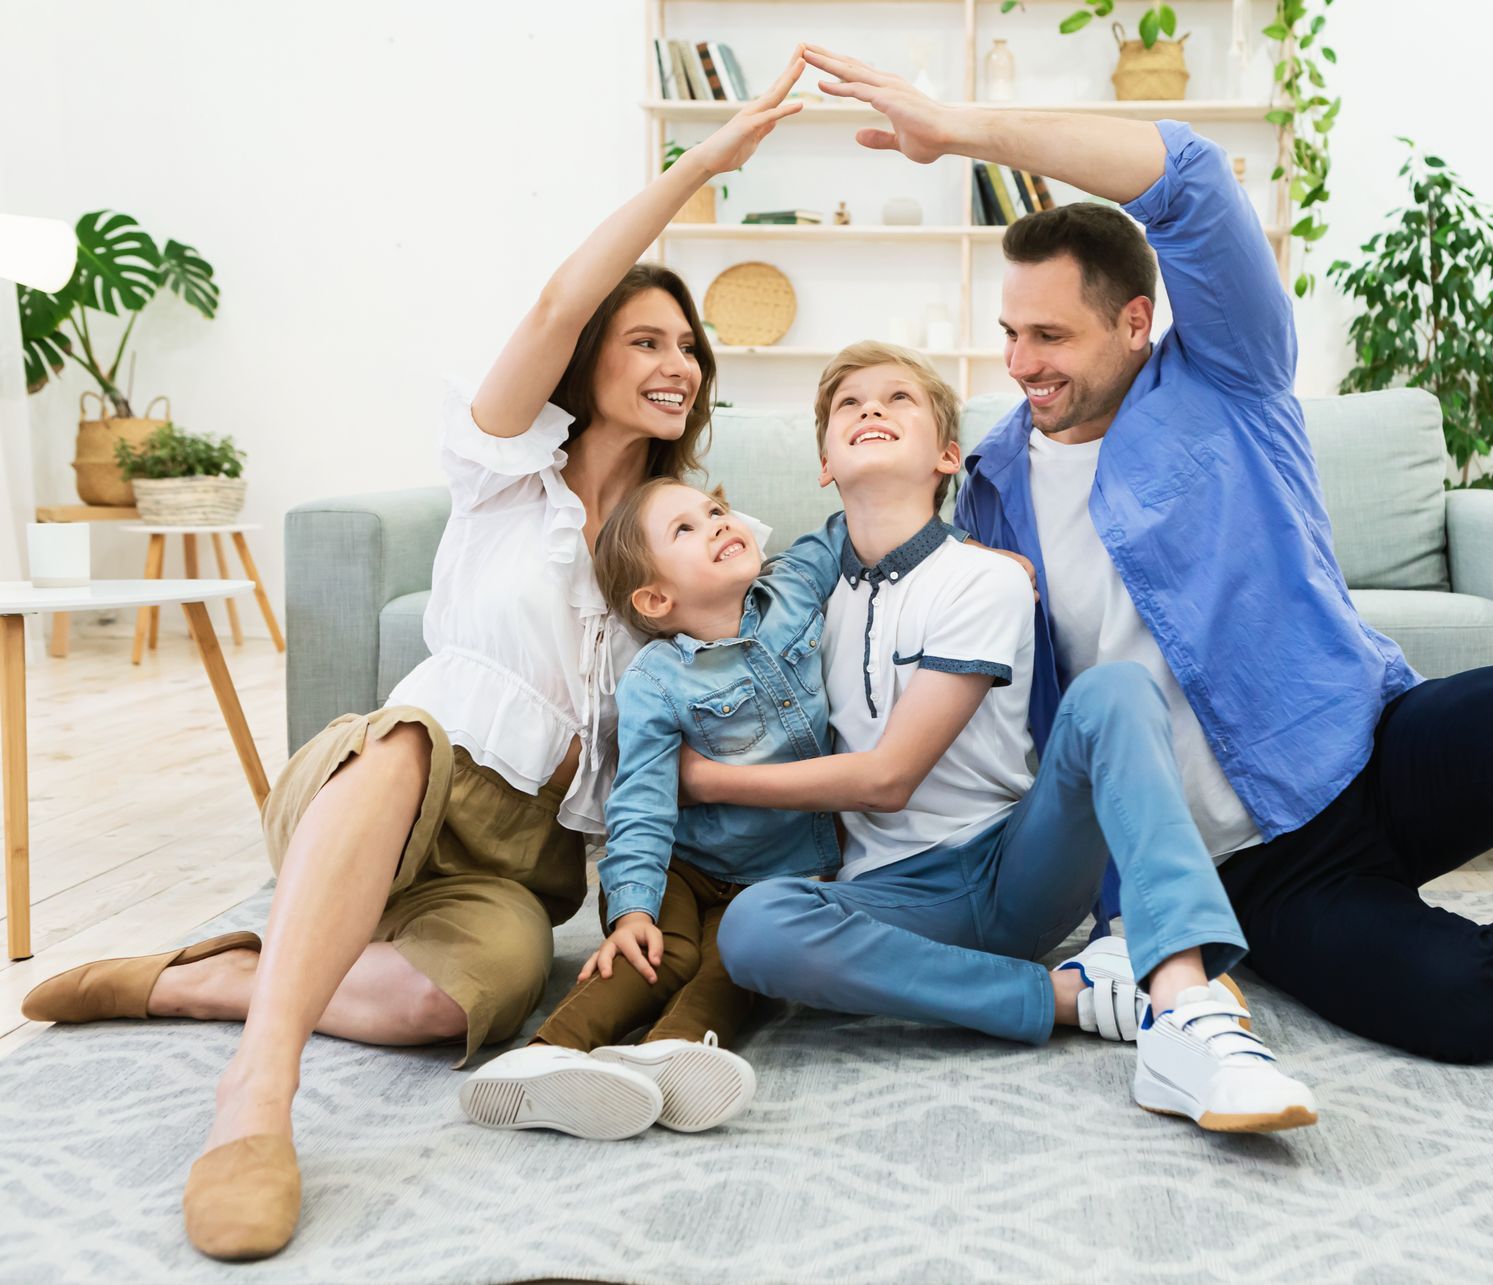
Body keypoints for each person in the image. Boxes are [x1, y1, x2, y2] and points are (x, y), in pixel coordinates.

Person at [794, 45, 1493, 1156]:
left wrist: (965, 130)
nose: (1023, 361)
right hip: (1247, 870)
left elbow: (1184, 175)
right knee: (1467, 1008)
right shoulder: (985, 484)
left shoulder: (1228, 373)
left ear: (1138, 323)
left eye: (1050, 335)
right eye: (1009, 335)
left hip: (1369, 751)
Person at [19, 53, 811, 1260]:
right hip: (394, 778)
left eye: (690, 349)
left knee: (451, 1005)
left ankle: (198, 977)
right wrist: (705, 165)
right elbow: (554, 302)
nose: (678, 364)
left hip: (522, 856)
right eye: (646, 338)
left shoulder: (674, 541)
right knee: (403, 742)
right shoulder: (504, 475)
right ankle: (255, 1100)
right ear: (589, 355)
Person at [694, 341, 1319, 1134]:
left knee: (1117, 688)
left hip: (1014, 865)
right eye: (848, 406)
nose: (871, 411)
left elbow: (890, 778)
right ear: (824, 460)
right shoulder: (802, 600)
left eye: (898, 400)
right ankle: (1069, 997)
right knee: (755, 925)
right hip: (892, 894)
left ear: (947, 455)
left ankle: (1185, 1009)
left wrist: (708, 779)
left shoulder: (985, 577)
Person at [456, 479, 858, 1140]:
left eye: (717, 511)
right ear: (655, 599)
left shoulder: (794, 590)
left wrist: (976, 549)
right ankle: (542, 1060)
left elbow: (861, 524)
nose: (719, 524)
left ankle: (674, 1056)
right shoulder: (654, 679)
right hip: (678, 866)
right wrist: (634, 906)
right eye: (686, 530)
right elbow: (641, 799)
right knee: (658, 953)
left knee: (734, 962)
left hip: (774, 877)